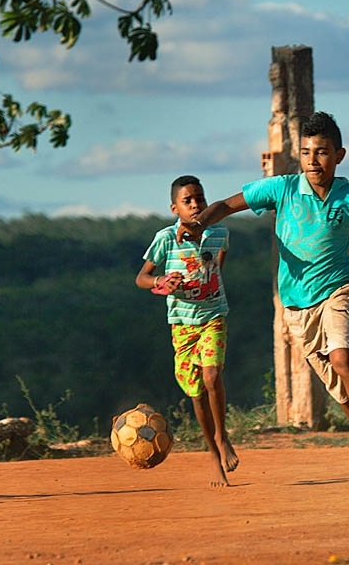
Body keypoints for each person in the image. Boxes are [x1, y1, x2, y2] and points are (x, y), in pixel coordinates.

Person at [178, 111, 349, 491]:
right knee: (340, 392)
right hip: (297, 309)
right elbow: (225, 205)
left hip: (339, 291)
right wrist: (200, 222)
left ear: (339, 155)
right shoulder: (282, 188)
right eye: (306, 152)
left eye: (322, 152)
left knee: (342, 357)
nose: (313, 161)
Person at [136, 175, 239, 487]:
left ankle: (222, 437)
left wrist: (214, 278)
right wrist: (161, 283)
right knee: (195, 392)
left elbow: (220, 258)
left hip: (213, 316)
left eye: (200, 199)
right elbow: (142, 277)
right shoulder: (165, 239)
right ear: (174, 208)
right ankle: (211, 452)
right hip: (182, 324)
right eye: (188, 201)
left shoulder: (219, 231)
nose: (196, 205)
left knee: (212, 376)